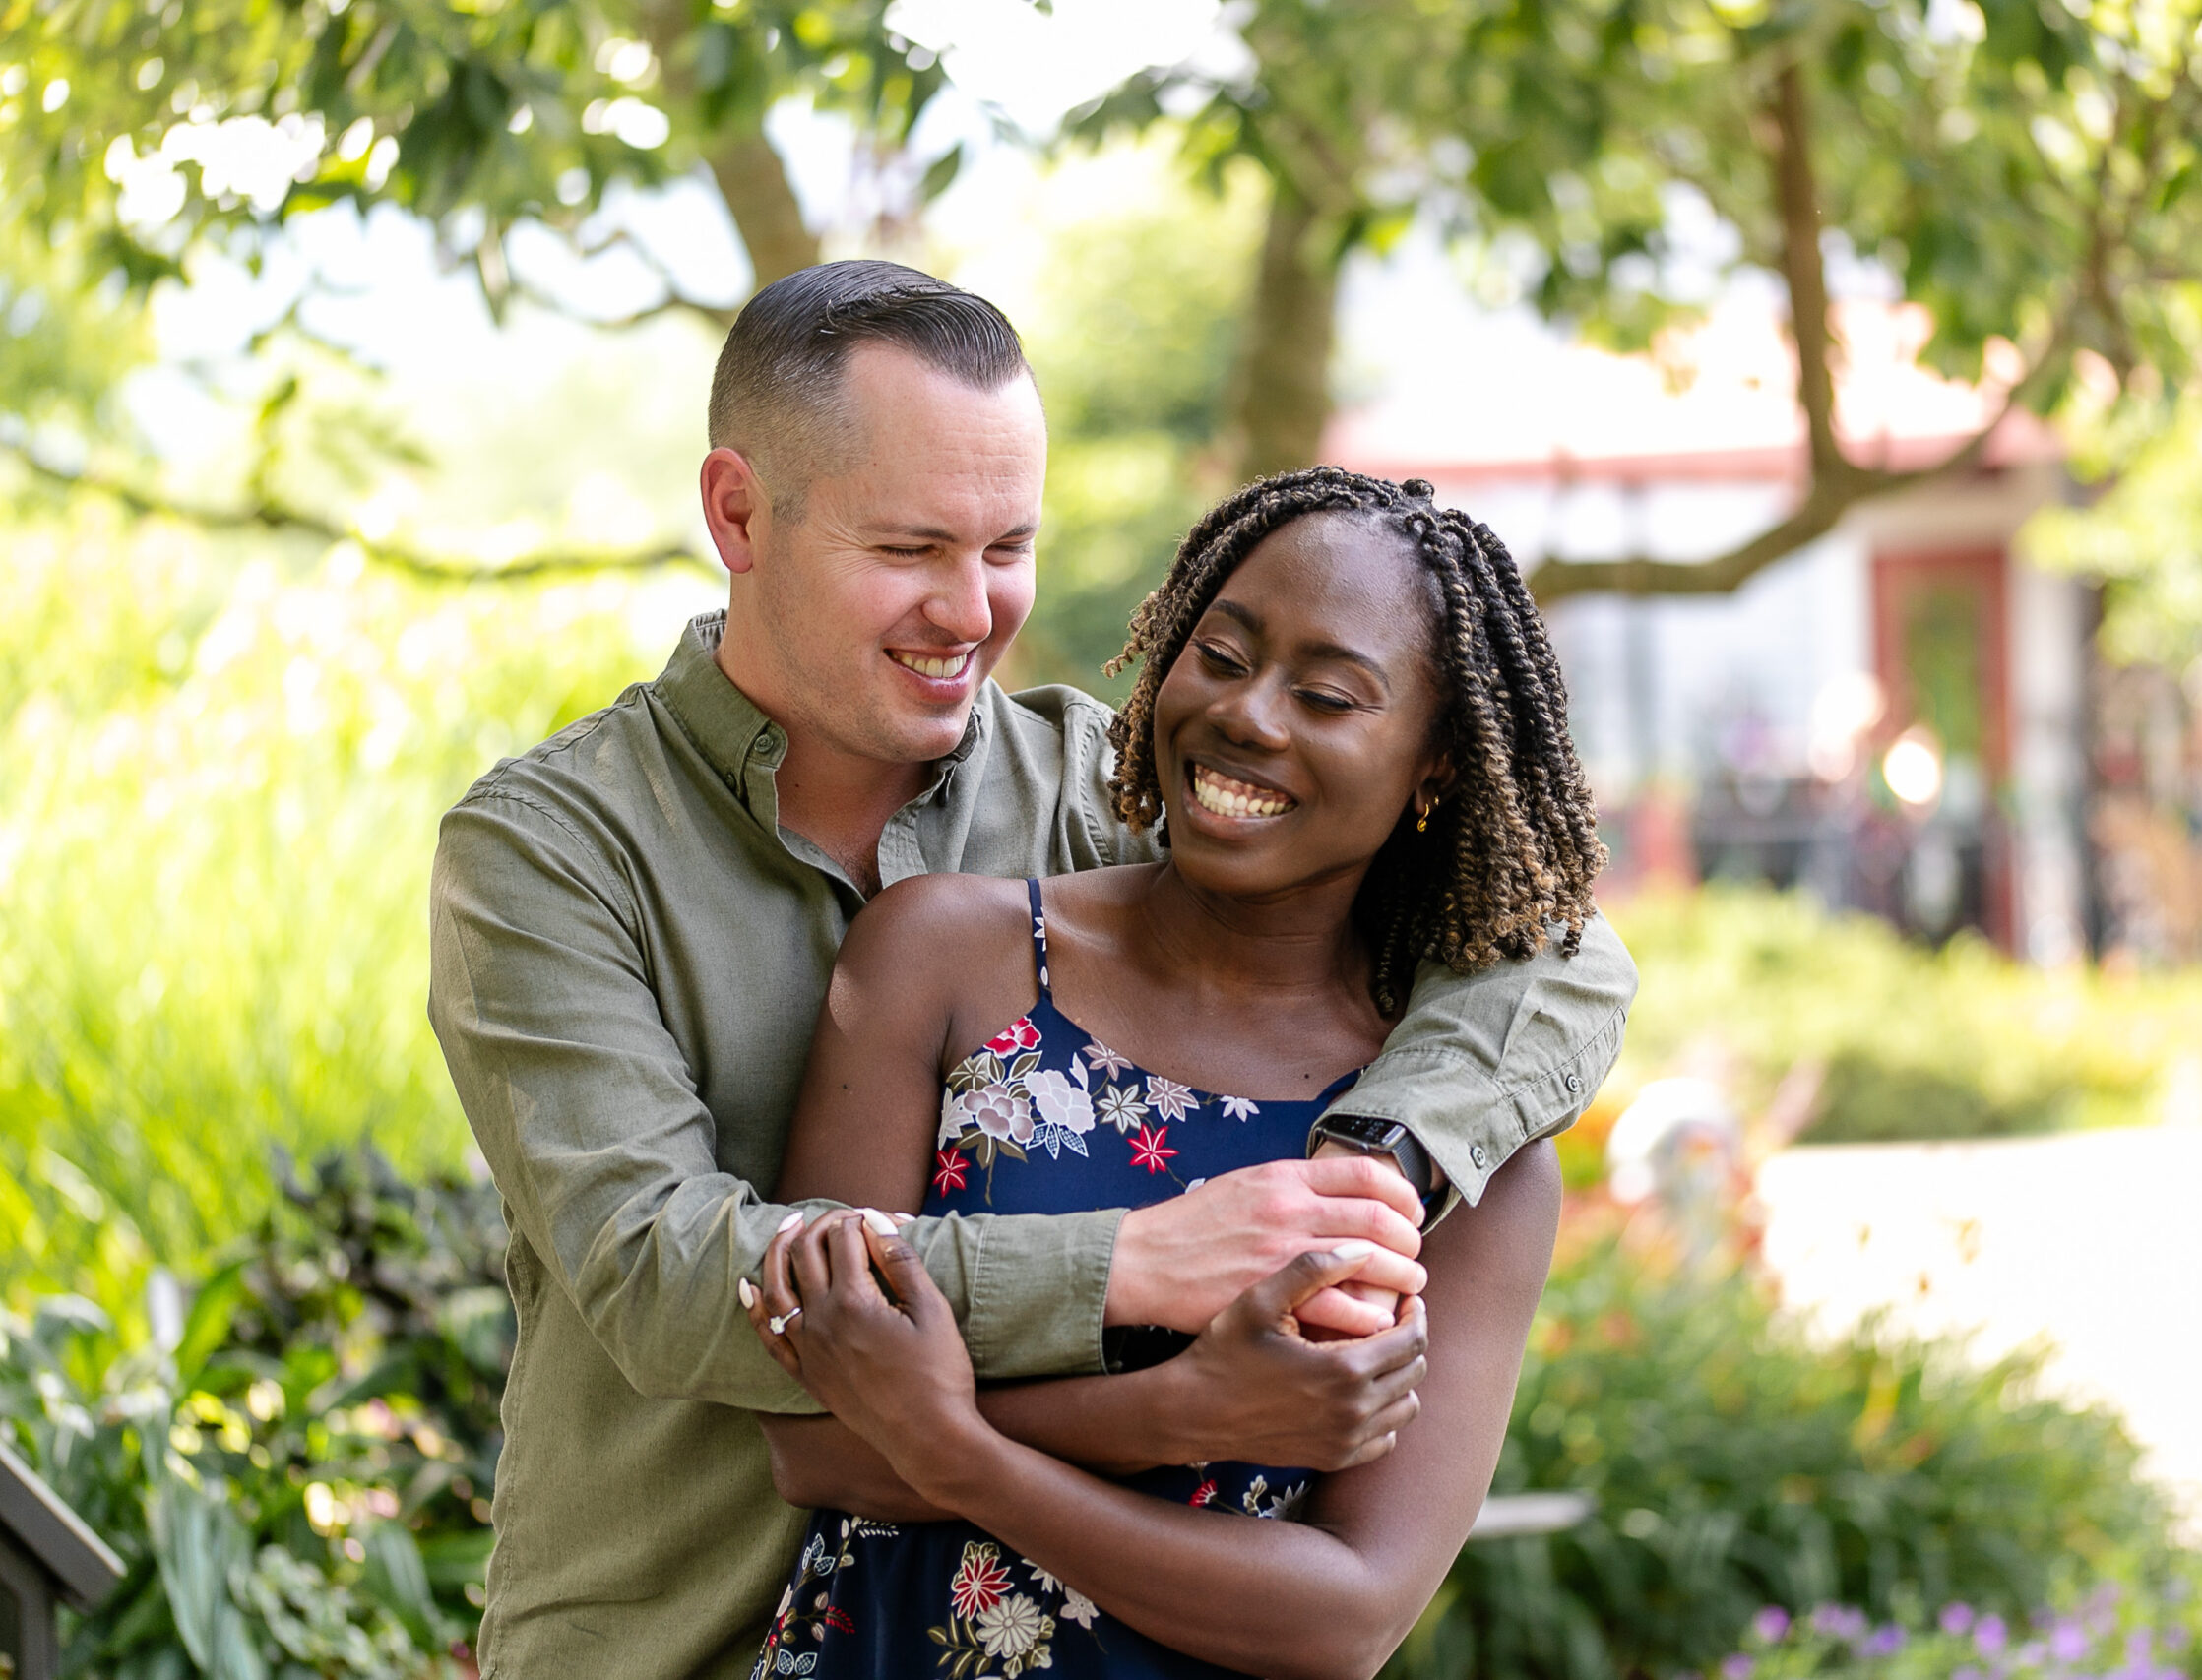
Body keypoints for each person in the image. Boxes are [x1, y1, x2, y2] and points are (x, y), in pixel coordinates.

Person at [427, 261, 1634, 1680]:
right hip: (656, 1646)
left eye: (1008, 546)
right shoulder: (550, 851)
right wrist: (1137, 1264)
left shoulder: (1113, 789)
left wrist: (1377, 1163)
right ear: (739, 513)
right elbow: (658, 1270)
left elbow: (1555, 946)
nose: (970, 607)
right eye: (911, 548)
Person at [741, 467, 1604, 1680]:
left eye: (1328, 694)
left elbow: (1344, 1616)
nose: (1249, 715)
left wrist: (953, 1445)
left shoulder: (1450, 1166)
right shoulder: (945, 958)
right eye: (1222, 653)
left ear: (1437, 769)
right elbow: (808, 1439)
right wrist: (1177, 1415)